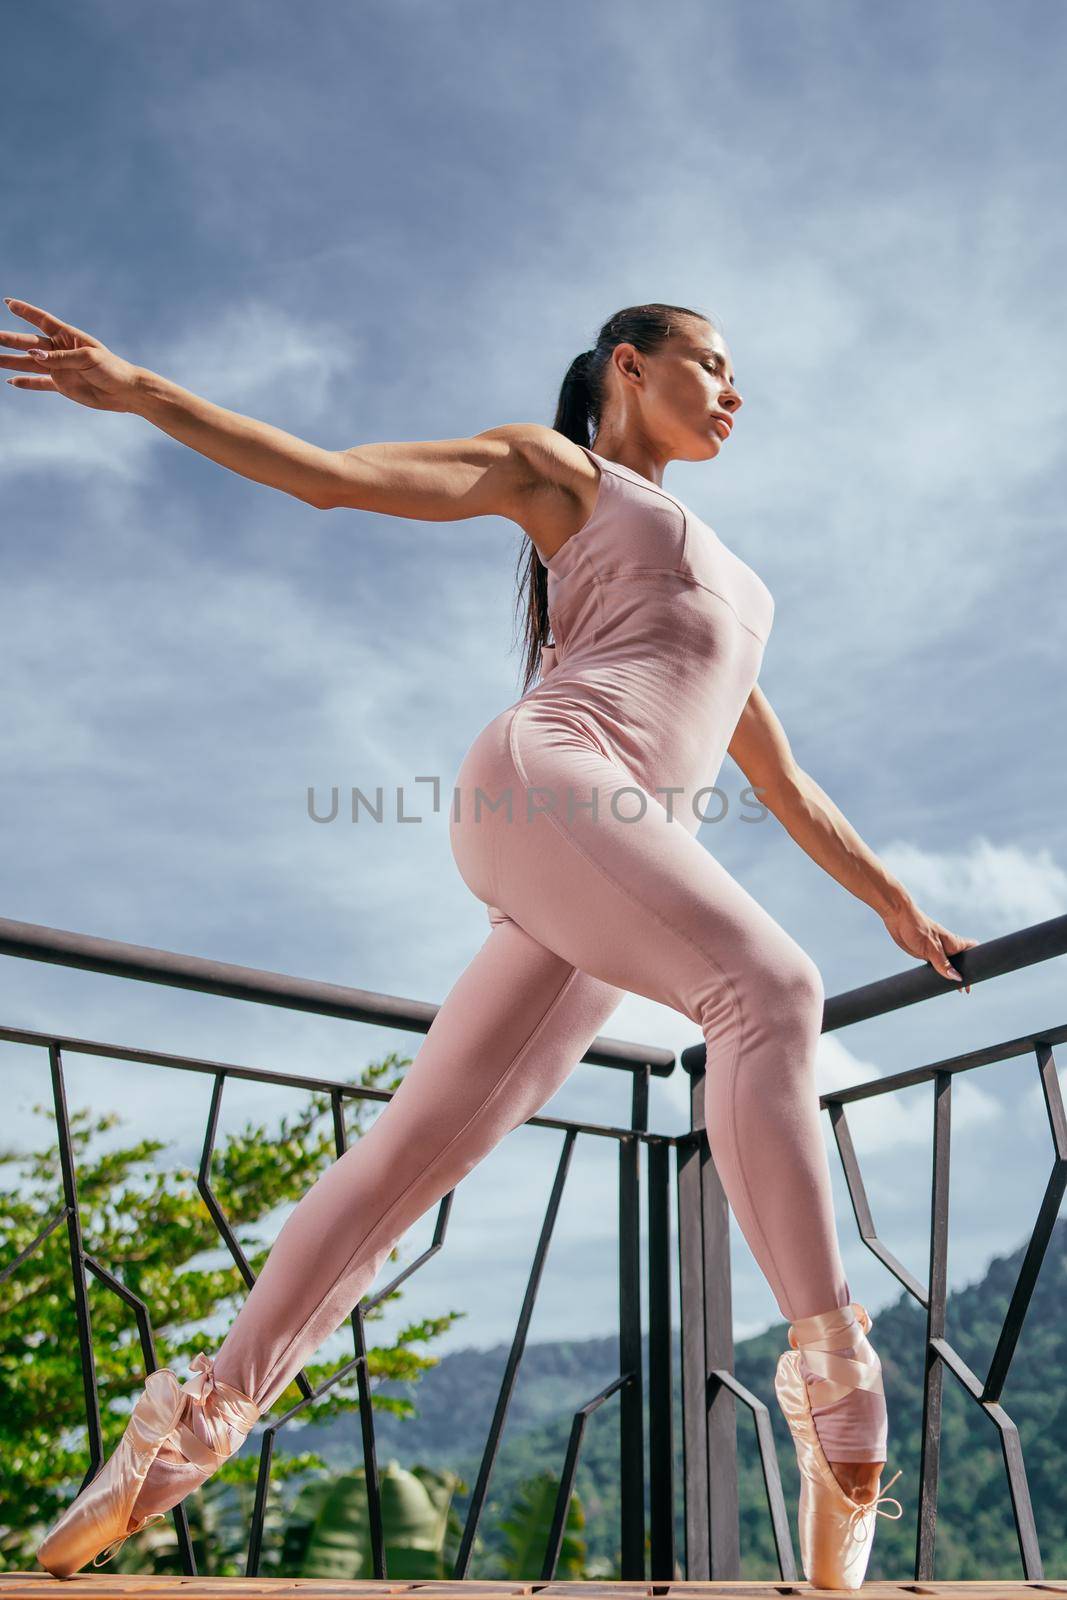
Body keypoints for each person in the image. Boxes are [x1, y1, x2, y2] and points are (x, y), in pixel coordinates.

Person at [4, 296, 976, 1585]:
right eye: (713, 366)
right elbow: (341, 480)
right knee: (768, 990)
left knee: (409, 1160)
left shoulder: (740, 589)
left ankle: (172, 1450)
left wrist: (895, 906)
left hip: (612, 859)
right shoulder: (563, 473)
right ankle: (841, 1400)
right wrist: (145, 394)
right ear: (629, 367)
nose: (736, 394)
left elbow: (788, 784)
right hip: (550, 781)